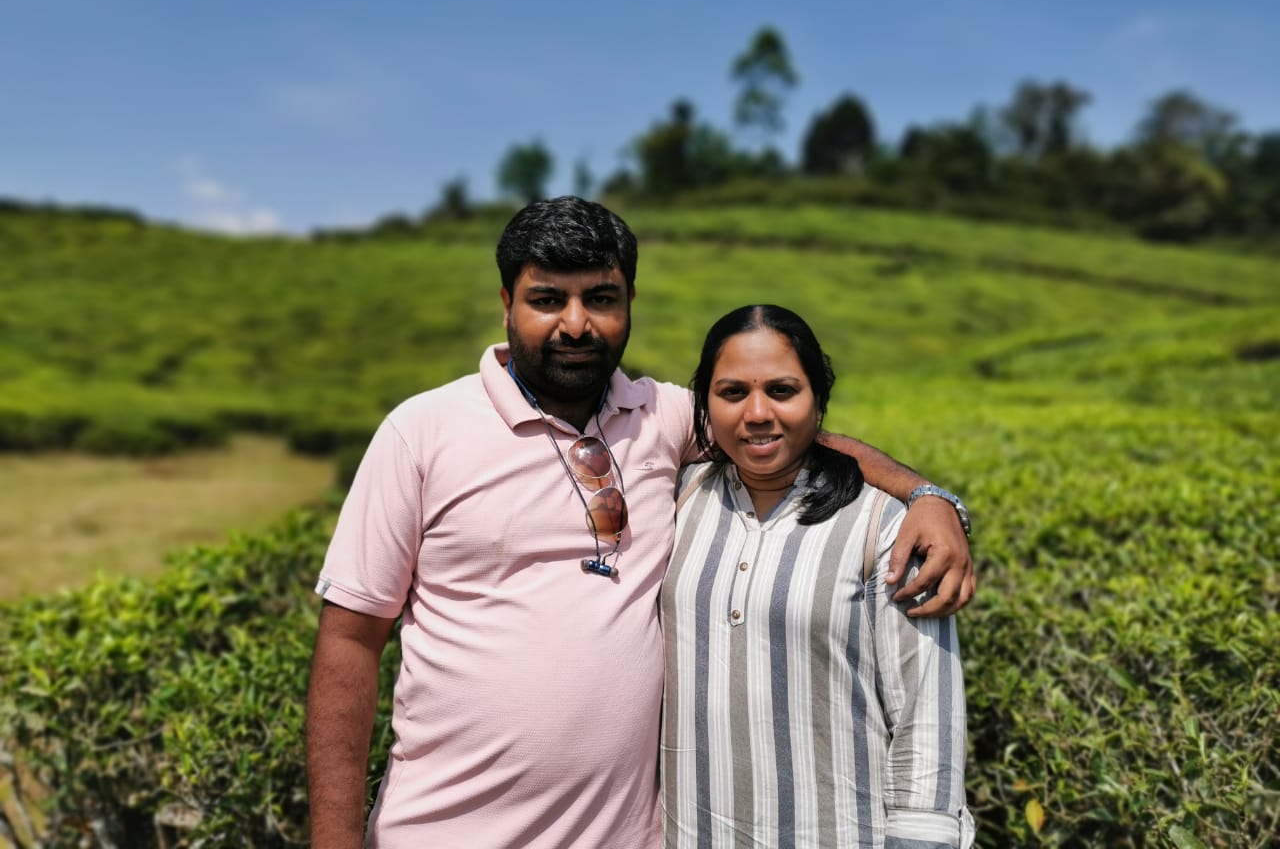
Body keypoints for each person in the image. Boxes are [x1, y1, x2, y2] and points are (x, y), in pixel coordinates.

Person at [306, 197, 974, 849]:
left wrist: (926, 496)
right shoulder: (422, 433)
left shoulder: (662, 415)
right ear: (506, 302)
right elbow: (350, 642)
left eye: (600, 298)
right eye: (547, 299)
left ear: (629, 301)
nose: (576, 324)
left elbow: (778, 432)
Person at [660, 304, 973, 848]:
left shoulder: (885, 527)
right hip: (690, 833)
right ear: (705, 404)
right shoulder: (678, 500)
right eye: (732, 392)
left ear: (819, 400)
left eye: (782, 391)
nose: (758, 413)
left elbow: (926, 713)